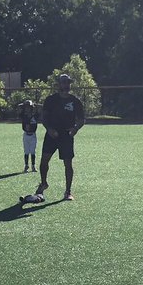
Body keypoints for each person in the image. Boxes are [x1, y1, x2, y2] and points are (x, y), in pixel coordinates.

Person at [24, 74, 85, 203]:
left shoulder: (75, 101)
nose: (66, 85)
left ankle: (68, 191)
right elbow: (44, 118)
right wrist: (49, 129)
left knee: (68, 163)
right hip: (52, 135)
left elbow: (81, 120)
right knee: (44, 161)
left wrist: (75, 129)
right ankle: (44, 183)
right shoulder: (51, 100)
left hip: (67, 136)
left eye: (68, 82)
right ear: (59, 84)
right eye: (63, 82)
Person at [19, 99, 39, 173]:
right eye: (26, 107)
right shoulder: (23, 116)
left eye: (28, 107)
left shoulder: (35, 116)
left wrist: (35, 106)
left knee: (33, 151)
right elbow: (19, 109)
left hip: (33, 135)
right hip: (26, 135)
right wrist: (23, 105)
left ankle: (33, 166)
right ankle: (26, 165)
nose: (27, 109)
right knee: (26, 151)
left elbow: (39, 112)